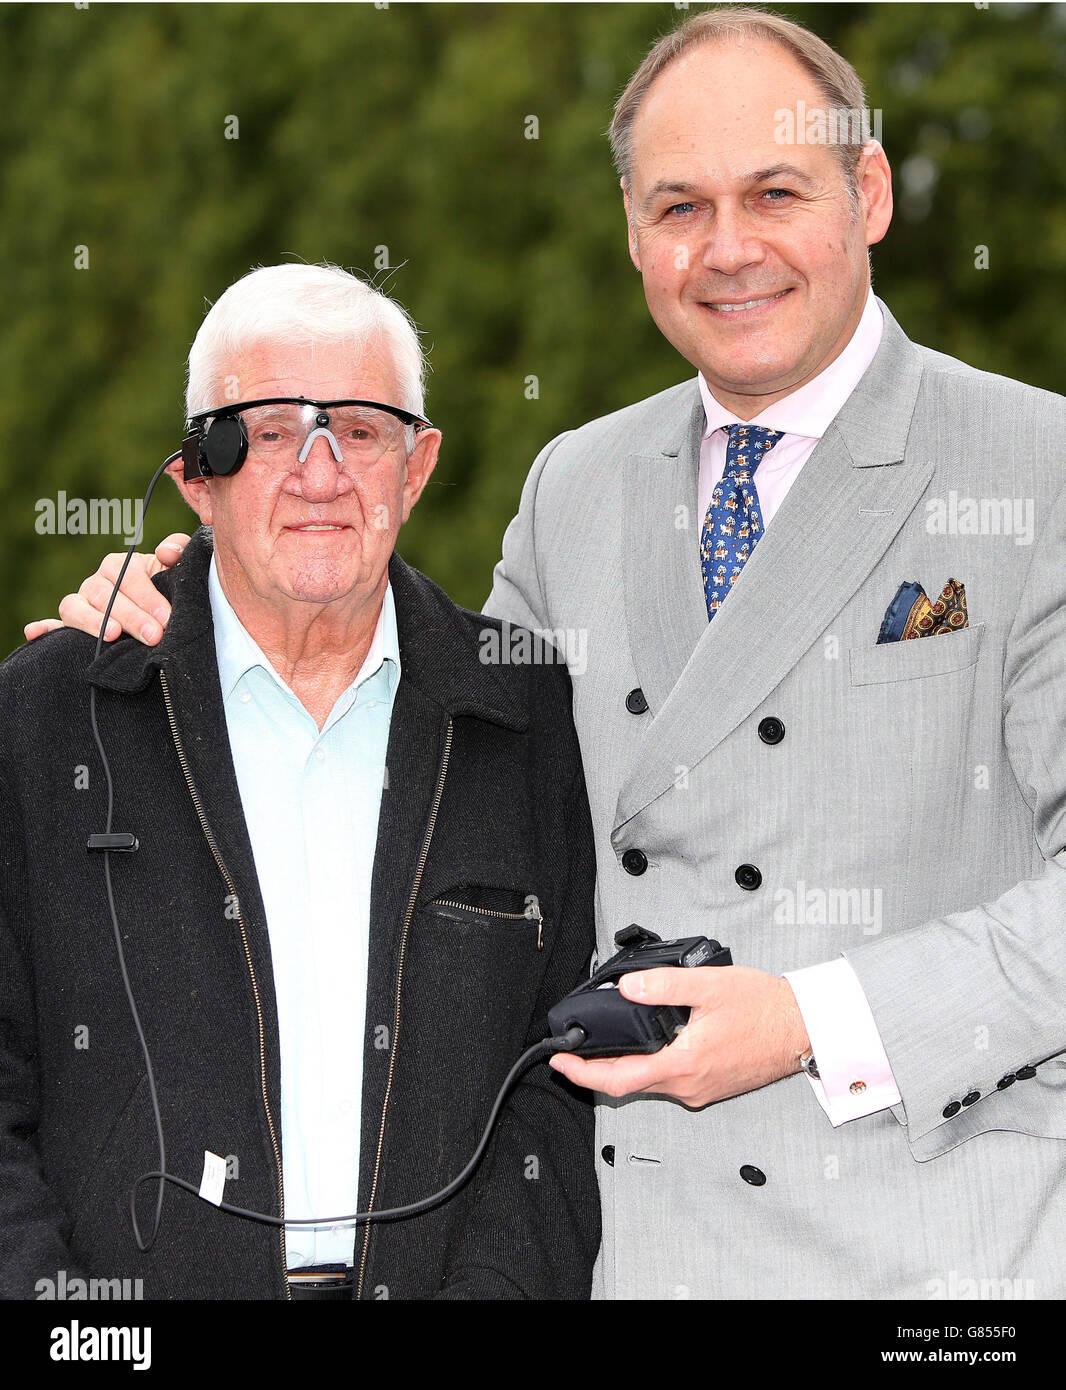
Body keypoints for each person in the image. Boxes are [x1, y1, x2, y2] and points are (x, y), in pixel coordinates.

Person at [31, 8, 1066, 1300]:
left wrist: (812, 1018)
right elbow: (441, 718)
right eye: (680, 206)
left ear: (866, 194)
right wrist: (199, 593)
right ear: (632, 232)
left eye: (775, 192)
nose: (727, 248)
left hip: (939, 1254)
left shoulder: (1035, 468)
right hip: (635, 1255)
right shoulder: (577, 485)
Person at [2, 262, 599, 1301]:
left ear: (417, 467)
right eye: (271, 431)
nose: (319, 473)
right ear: (198, 473)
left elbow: (563, 1074)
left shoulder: (527, 709)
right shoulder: (50, 716)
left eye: (362, 431)